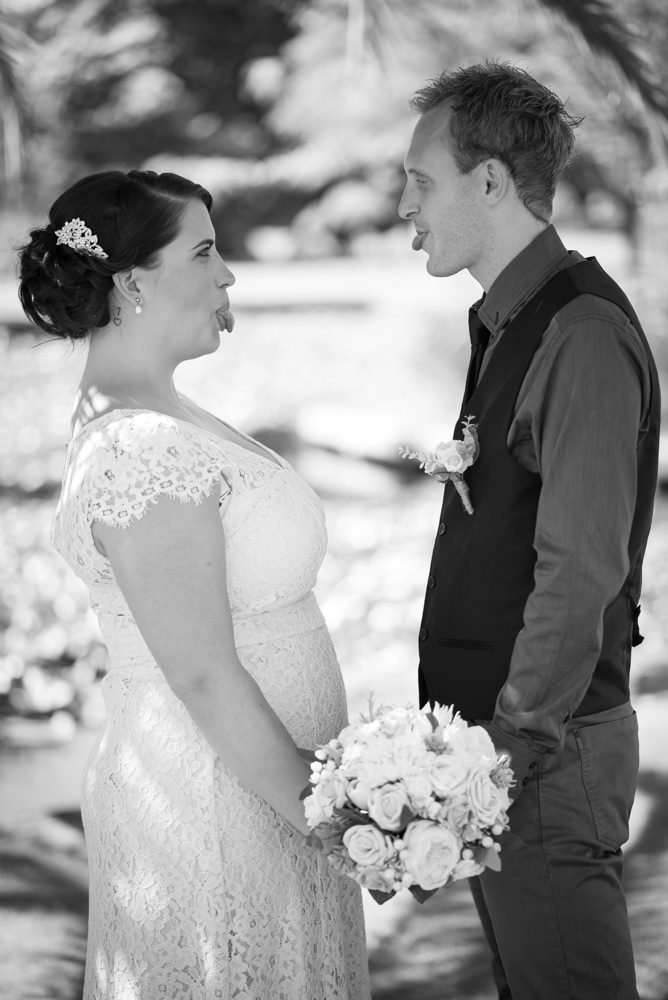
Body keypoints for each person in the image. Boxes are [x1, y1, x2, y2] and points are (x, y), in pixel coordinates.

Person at [18, 170, 370, 999]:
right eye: (205, 250)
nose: (229, 274)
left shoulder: (164, 410)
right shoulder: (139, 448)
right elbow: (202, 674)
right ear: (133, 281)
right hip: (216, 809)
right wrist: (332, 825)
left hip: (268, 799)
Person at [399, 62, 660, 1000]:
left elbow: (580, 569)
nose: (402, 205)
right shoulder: (511, 320)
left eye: (419, 179)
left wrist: (503, 754)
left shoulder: (579, 333)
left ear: (491, 181)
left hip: (544, 760)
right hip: (510, 761)